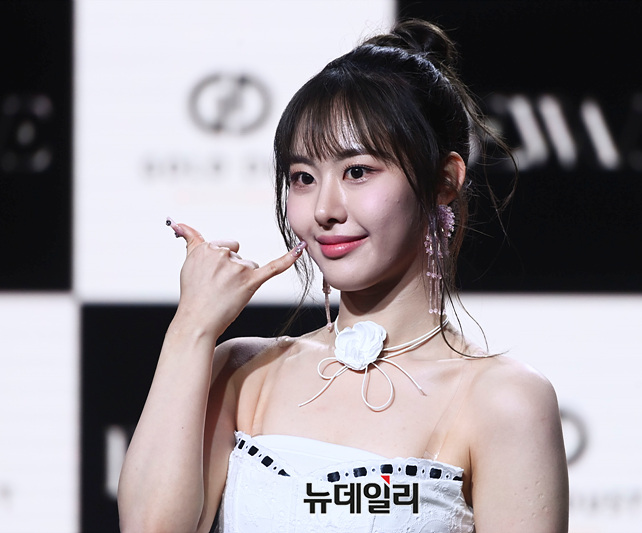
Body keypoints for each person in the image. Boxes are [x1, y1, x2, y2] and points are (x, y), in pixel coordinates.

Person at [118, 19, 568, 533]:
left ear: (444, 180)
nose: (324, 209)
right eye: (303, 178)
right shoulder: (242, 373)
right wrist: (192, 328)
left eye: (358, 172)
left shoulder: (504, 400)